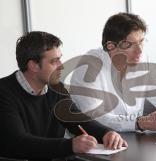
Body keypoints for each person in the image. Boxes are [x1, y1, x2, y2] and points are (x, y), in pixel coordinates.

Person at [0, 31, 127, 161]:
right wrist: (70, 145)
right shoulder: (4, 92)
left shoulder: (57, 88)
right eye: (54, 61)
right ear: (34, 66)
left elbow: (77, 119)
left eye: (60, 59)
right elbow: (18, 142)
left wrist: (106, 133)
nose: (61, 66)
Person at [70, 12, 156, 132]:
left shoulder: (140, 58)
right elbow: (96, 118)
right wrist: (140, 123)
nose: (139, 50)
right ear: (111, 46)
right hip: (94, 145)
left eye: (141, 41)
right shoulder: (88, 68)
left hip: (132, 140)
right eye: (130, 44)